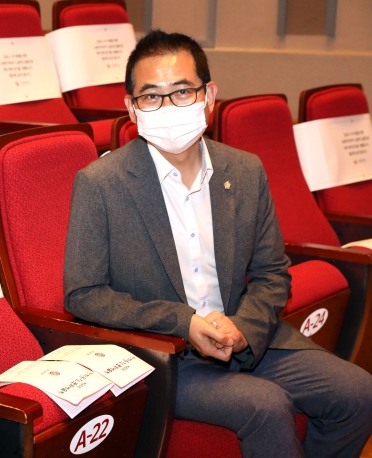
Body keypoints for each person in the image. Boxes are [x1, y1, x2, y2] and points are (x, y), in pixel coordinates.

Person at [63, 30, 372, 457]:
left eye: (182, 92)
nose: (168, 107)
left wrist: (244, 329)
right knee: (266, 406)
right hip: (164, 352)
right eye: (151, 97)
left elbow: (272, 273)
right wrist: (183, 322)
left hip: (246, 337)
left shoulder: (244, 171)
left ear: (208, 96)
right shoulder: (101, 183)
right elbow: (83, 294)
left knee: (358, 392)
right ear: (131, 108)